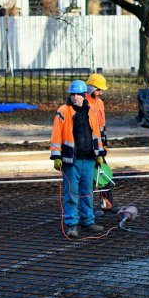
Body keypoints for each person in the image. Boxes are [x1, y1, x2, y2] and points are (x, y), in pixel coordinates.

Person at [50, 80, 106, 237]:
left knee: (87, 191)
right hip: (70, 160)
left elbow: (96, 134)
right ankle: (72, 224)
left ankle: (88, 221)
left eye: (78, 95)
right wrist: (56, 155)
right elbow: (56, 135)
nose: (75, 97)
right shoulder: (64, 111)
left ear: (83, 96)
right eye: (72, 94)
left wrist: (99, 154)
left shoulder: (90, 111)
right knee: (71, 193)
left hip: (88, 158)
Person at [85, 73, 113, 211]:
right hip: (88, 148)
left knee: (104, 176)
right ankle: (88, 211)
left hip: (99, 147)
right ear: (90, 88)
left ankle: (107, 206)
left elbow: (102, 126)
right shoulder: (84, 103)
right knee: (89, 181)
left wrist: (104, 144)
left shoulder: (99, 103)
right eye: (98, 89)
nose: (100, 92)